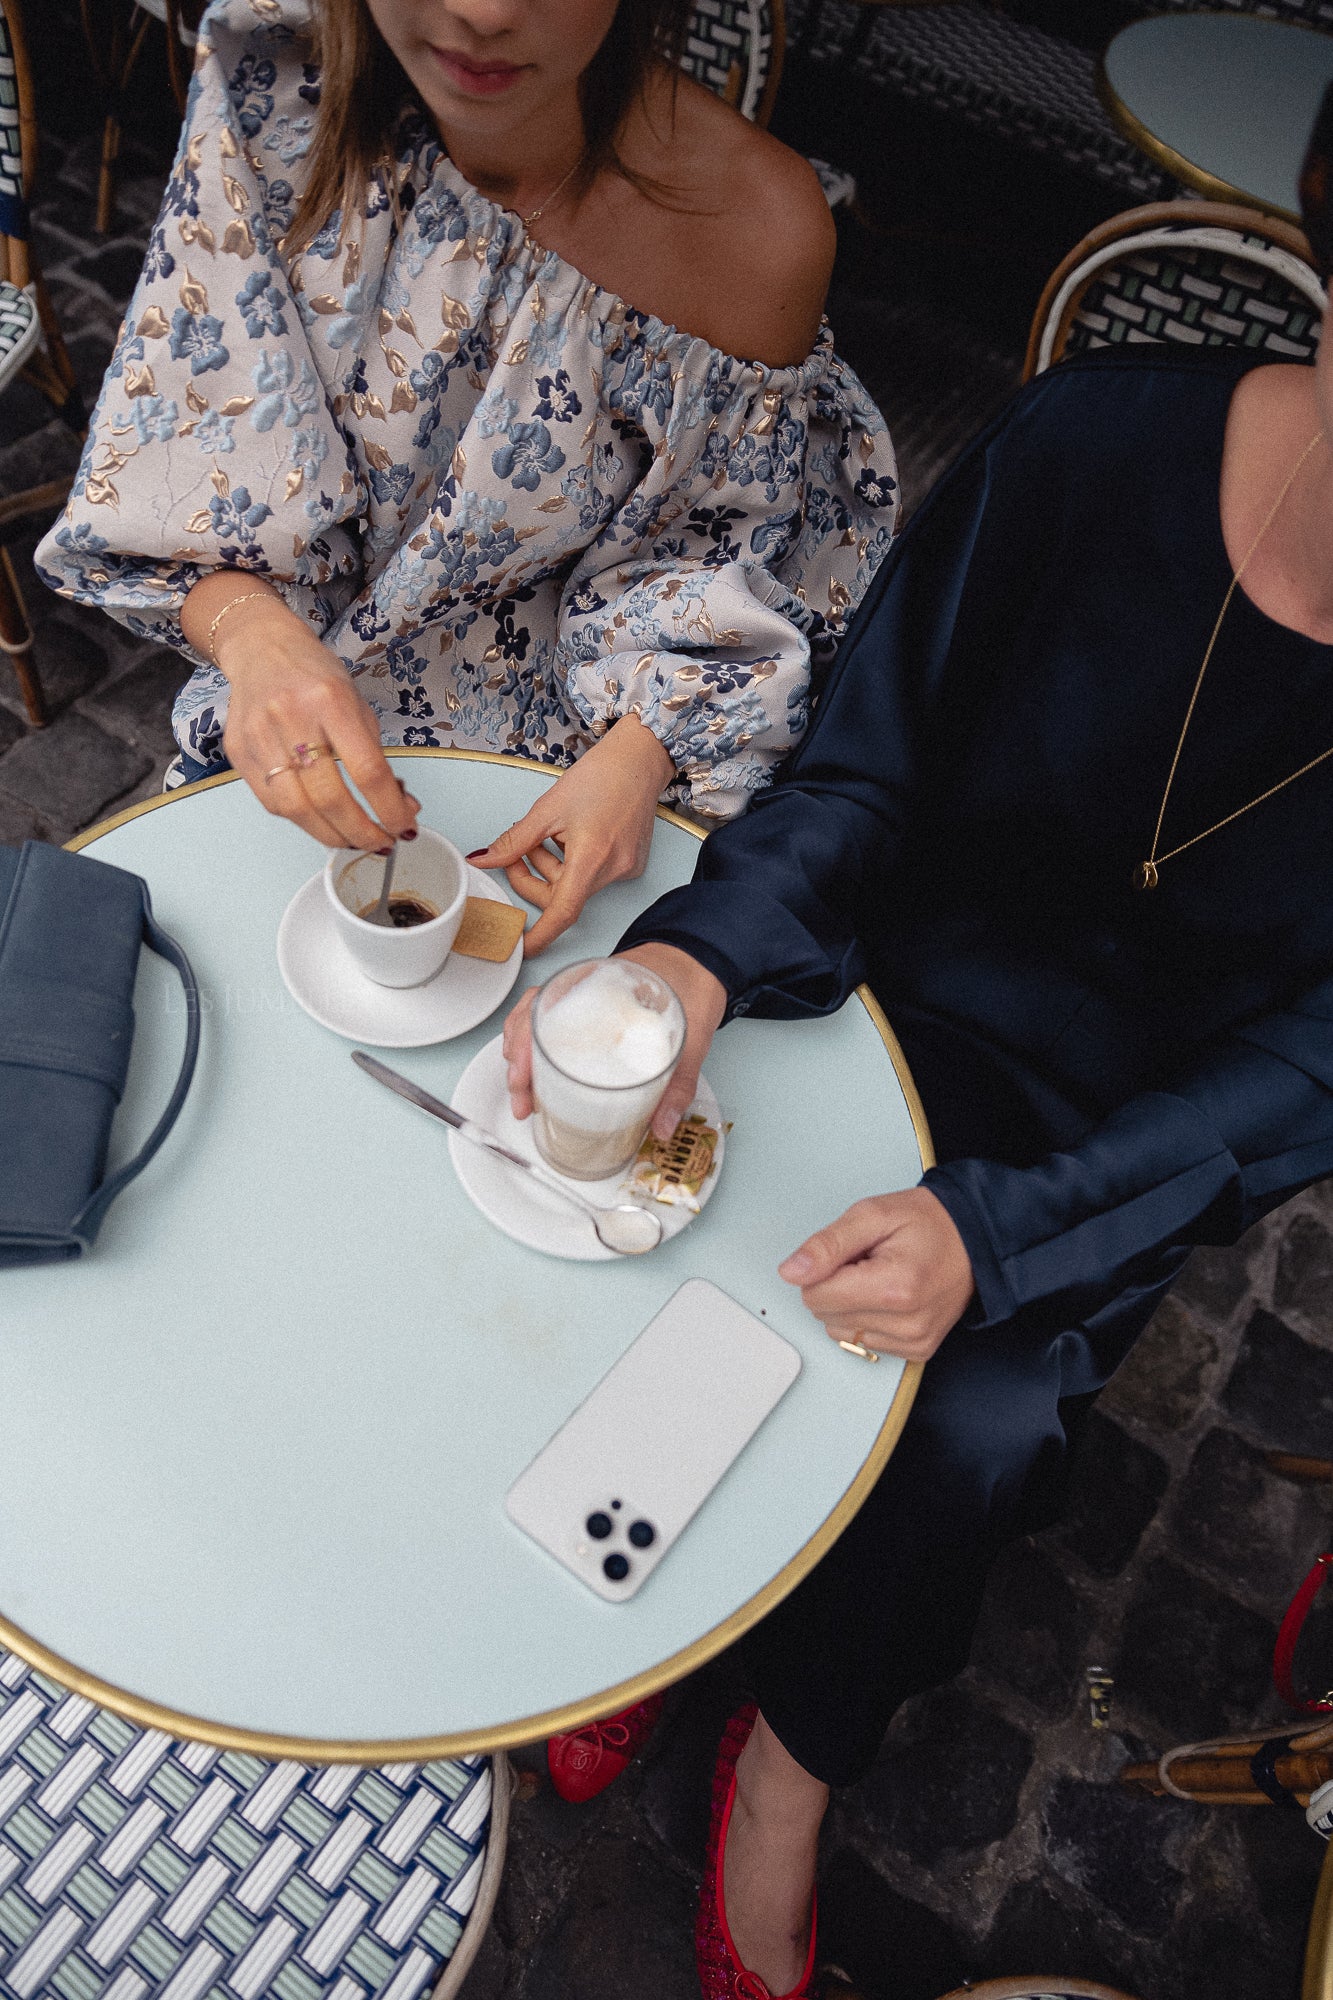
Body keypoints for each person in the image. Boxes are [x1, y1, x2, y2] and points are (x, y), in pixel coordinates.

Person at [502, 91, 1333, 2000]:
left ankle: (787, 1774)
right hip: (864, 987)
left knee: (964, 1416)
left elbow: (1295, 1084)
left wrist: (1007, 1232)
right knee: (663, 1192)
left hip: (1116, 1146)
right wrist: (707, 962)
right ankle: (652, 1602)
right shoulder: (1083, 448)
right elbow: (861, 767)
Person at [36, 0, 898, 953]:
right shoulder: (280, 81)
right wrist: (259, 645)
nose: (482, 12)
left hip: (571, 796)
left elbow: (715, 558)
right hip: (285, 745)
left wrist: (643, 754)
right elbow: (185, 452)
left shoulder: (755, 227)